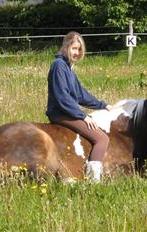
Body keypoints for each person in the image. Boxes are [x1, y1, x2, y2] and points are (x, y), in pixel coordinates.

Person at [46, 31, 112, 182]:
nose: (76, 52)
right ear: (65, 47)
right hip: (60, 113)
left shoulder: (67, 67)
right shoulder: (58, 66)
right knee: (102, 139)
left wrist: (103, 105)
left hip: (66, 111)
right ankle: (94, 181)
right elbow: (62, 98)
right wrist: (83, 115)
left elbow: (81, 95)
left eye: (79, 49)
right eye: (74, 48)